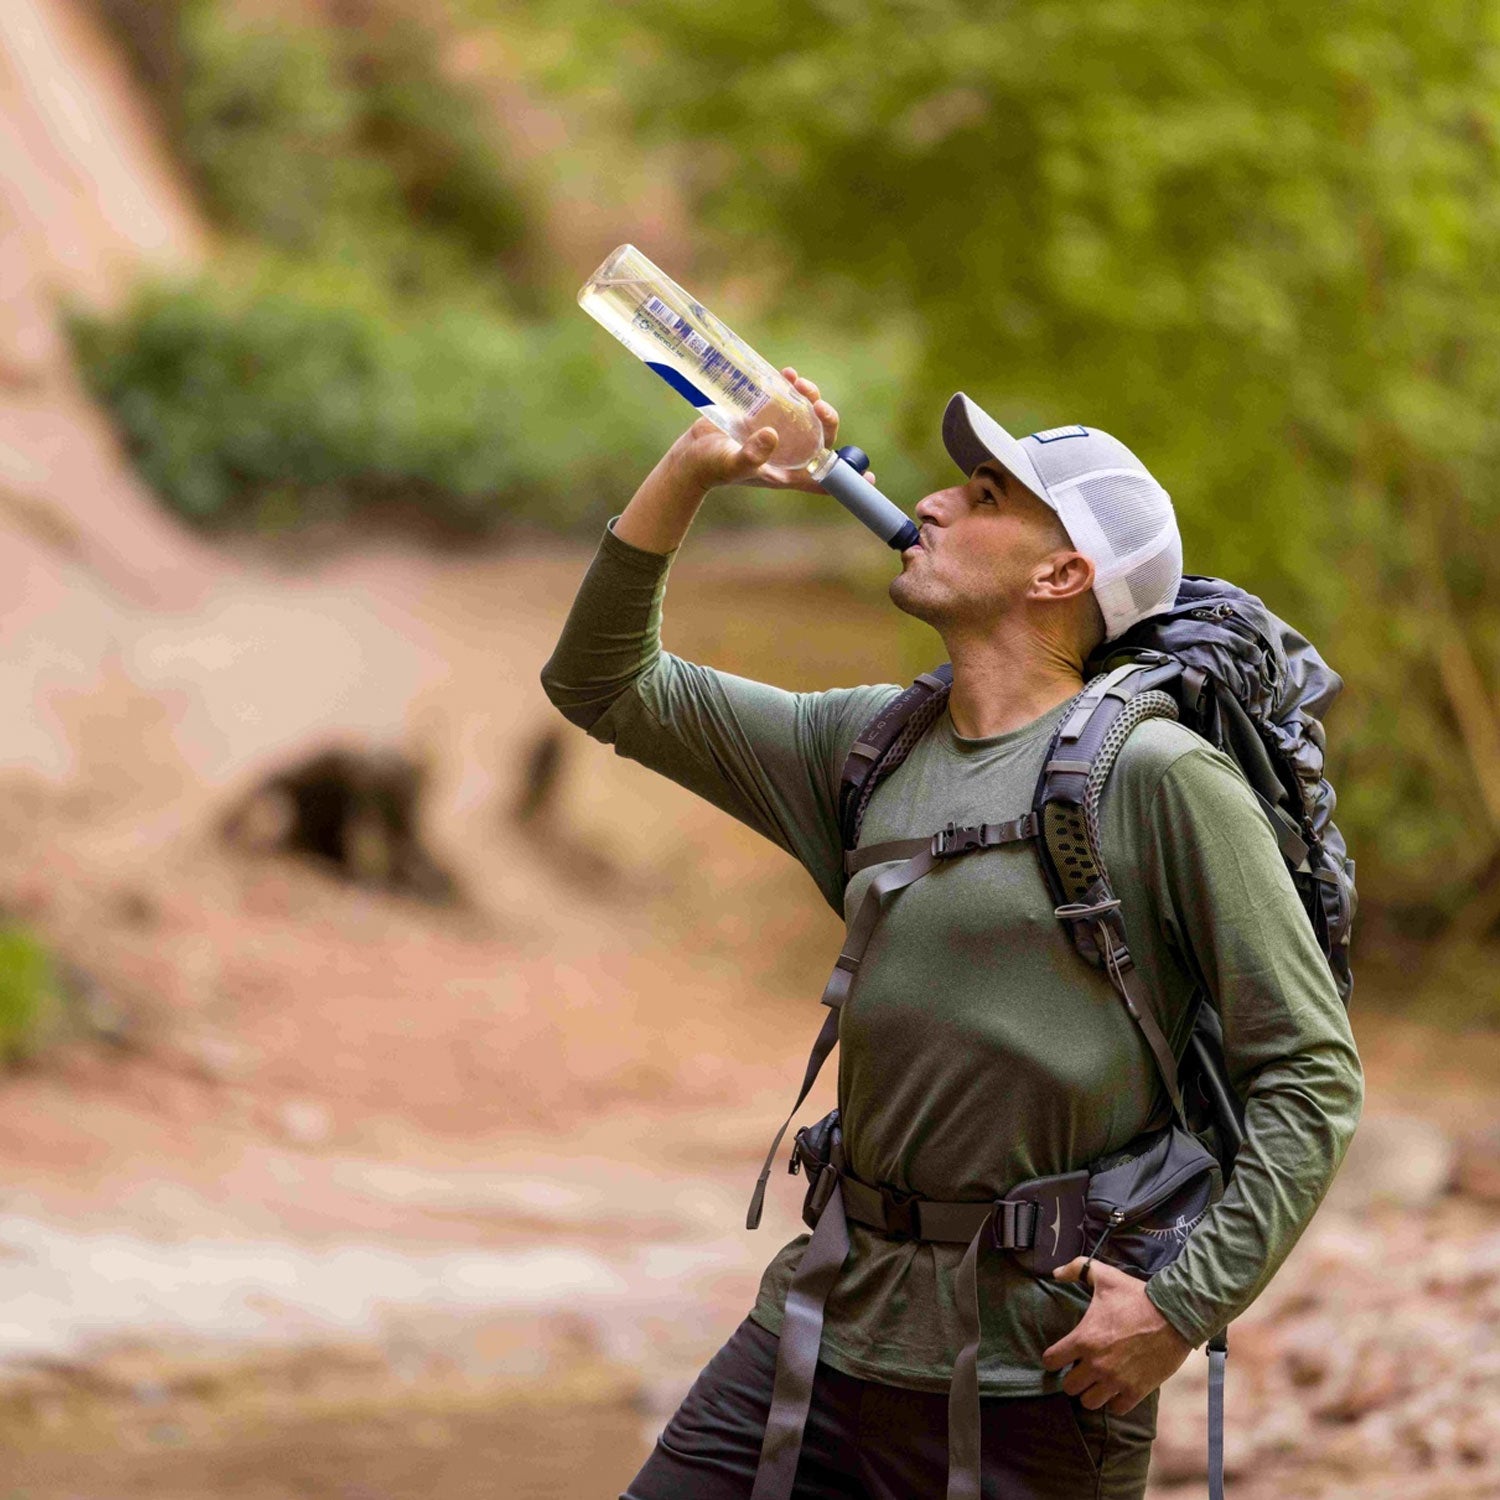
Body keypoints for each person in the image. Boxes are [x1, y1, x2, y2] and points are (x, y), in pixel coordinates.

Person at [540, 370, 1364, 1500]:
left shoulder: (1163, 778)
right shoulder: (866, 743)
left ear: (1061, 573)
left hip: (1043, 1373)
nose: (931, 504)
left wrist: (1180, 1308)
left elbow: (1309, 1074)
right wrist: (693, 470)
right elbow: (602, 682)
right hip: (822, 1328)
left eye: (983, 496)